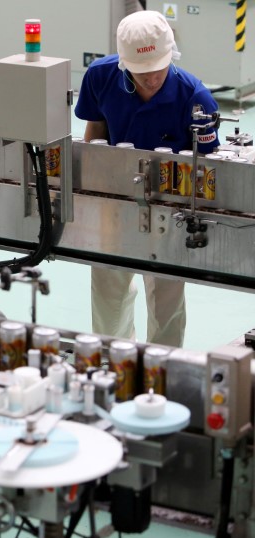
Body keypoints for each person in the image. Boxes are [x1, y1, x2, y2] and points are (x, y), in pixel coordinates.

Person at [75, 10, 219, 347]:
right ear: (124, 63)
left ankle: (164, 366)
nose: (151, 80)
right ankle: (113, 358)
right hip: (113, 198)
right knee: (109, 288)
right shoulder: (100, 77)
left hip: (171, 206)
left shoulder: (195, 97)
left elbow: (210, 168)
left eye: (157, 70)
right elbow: (94, 134)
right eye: (141, 74)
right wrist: (87, 191)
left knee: (166, 296)